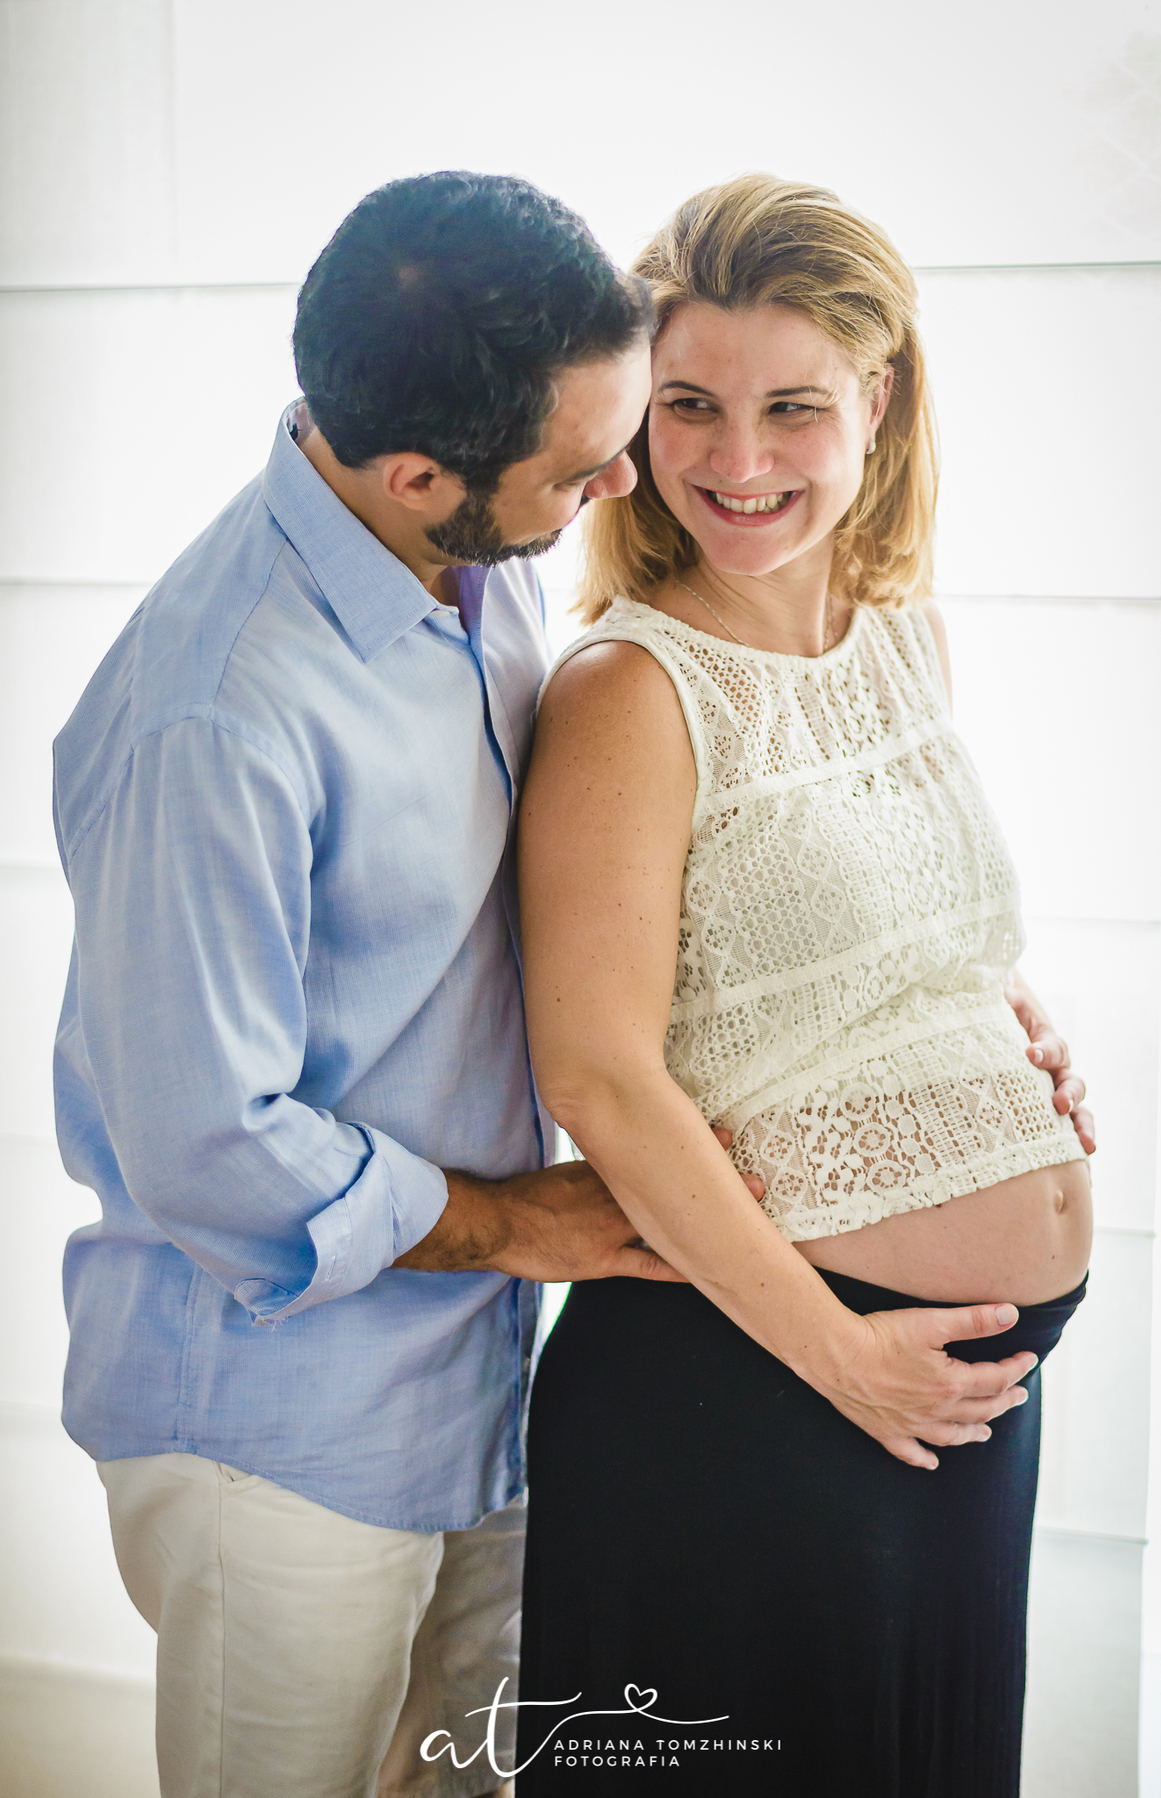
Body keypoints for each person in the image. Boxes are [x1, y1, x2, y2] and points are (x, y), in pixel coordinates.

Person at [51, 170, 668, 1798]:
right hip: (277, 1435)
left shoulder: (478, 550)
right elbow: (212, 1144)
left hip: (478, 1380)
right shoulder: (215, 714)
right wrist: (522, 1222)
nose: (624, 479)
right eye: (582, 465)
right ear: (417, 478)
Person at [515, 175, 1095, 1797]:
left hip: (949, 1410)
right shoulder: (630, 690)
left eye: (792, 407)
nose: (737, 457)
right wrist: (842, 1357)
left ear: (879, 402)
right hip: (754, 1393)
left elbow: (876, 935)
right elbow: (597, 1073)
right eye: (689, 404)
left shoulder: (904, 633)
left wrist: (1000, 1022)